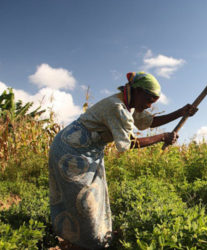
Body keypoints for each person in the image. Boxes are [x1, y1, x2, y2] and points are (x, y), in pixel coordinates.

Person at [48, 72, 197, 249]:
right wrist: (163, 136)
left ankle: (90, 239)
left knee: (94, 194)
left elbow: (147, 122)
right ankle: (84, 242)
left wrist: (181, 112)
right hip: (71, 150)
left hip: (88, 150)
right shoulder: (117, 107)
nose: (149, 105)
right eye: (149, 100)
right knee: (83, 198)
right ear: (138, 91)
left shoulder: (129, 105)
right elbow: (128, 143)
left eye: (153, 102)